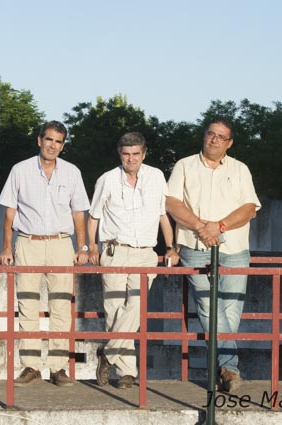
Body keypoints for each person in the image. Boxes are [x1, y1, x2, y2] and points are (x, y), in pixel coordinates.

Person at [165, 116, 260, 393]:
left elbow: (249, 208)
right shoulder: (184, 165)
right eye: (211, 134)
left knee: (231, 309)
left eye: (221, 136)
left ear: (229, 142)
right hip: (195, 248)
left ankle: (222, 368)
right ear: (204, 136)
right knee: (209, 308)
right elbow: (171, 202)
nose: (215, 139)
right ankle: (229, 368)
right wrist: (200, 227)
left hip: (234, 248)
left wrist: (218, 226)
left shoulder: (240, 169)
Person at [0, 120, 90, 387]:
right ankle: (31, 366)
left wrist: (82, 246)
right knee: (27, 305)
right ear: (40, 140)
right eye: (49, 139)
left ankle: (58, 368)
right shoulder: (20, 170)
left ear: (63, 145)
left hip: (62, 243)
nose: (53, 145)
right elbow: (9, 212)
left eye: (58, 141)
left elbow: (78, 212)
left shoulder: (72, 172)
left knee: (61, 305)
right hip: (27, 242)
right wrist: (6, 246)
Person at [88, 132, 179, 389]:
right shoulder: (106, 179)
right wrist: (91, 246)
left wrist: (171, 247)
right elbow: (93, 216)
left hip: (145, 253)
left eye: (136, 154)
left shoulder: (157, 176)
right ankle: (127, 372)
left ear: (144, 154)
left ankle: (107, 353)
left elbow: (163, 216)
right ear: (120, 154)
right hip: (114, 250)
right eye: (126, 154)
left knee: (136, 307)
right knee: (115, 310)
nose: (131, 159)